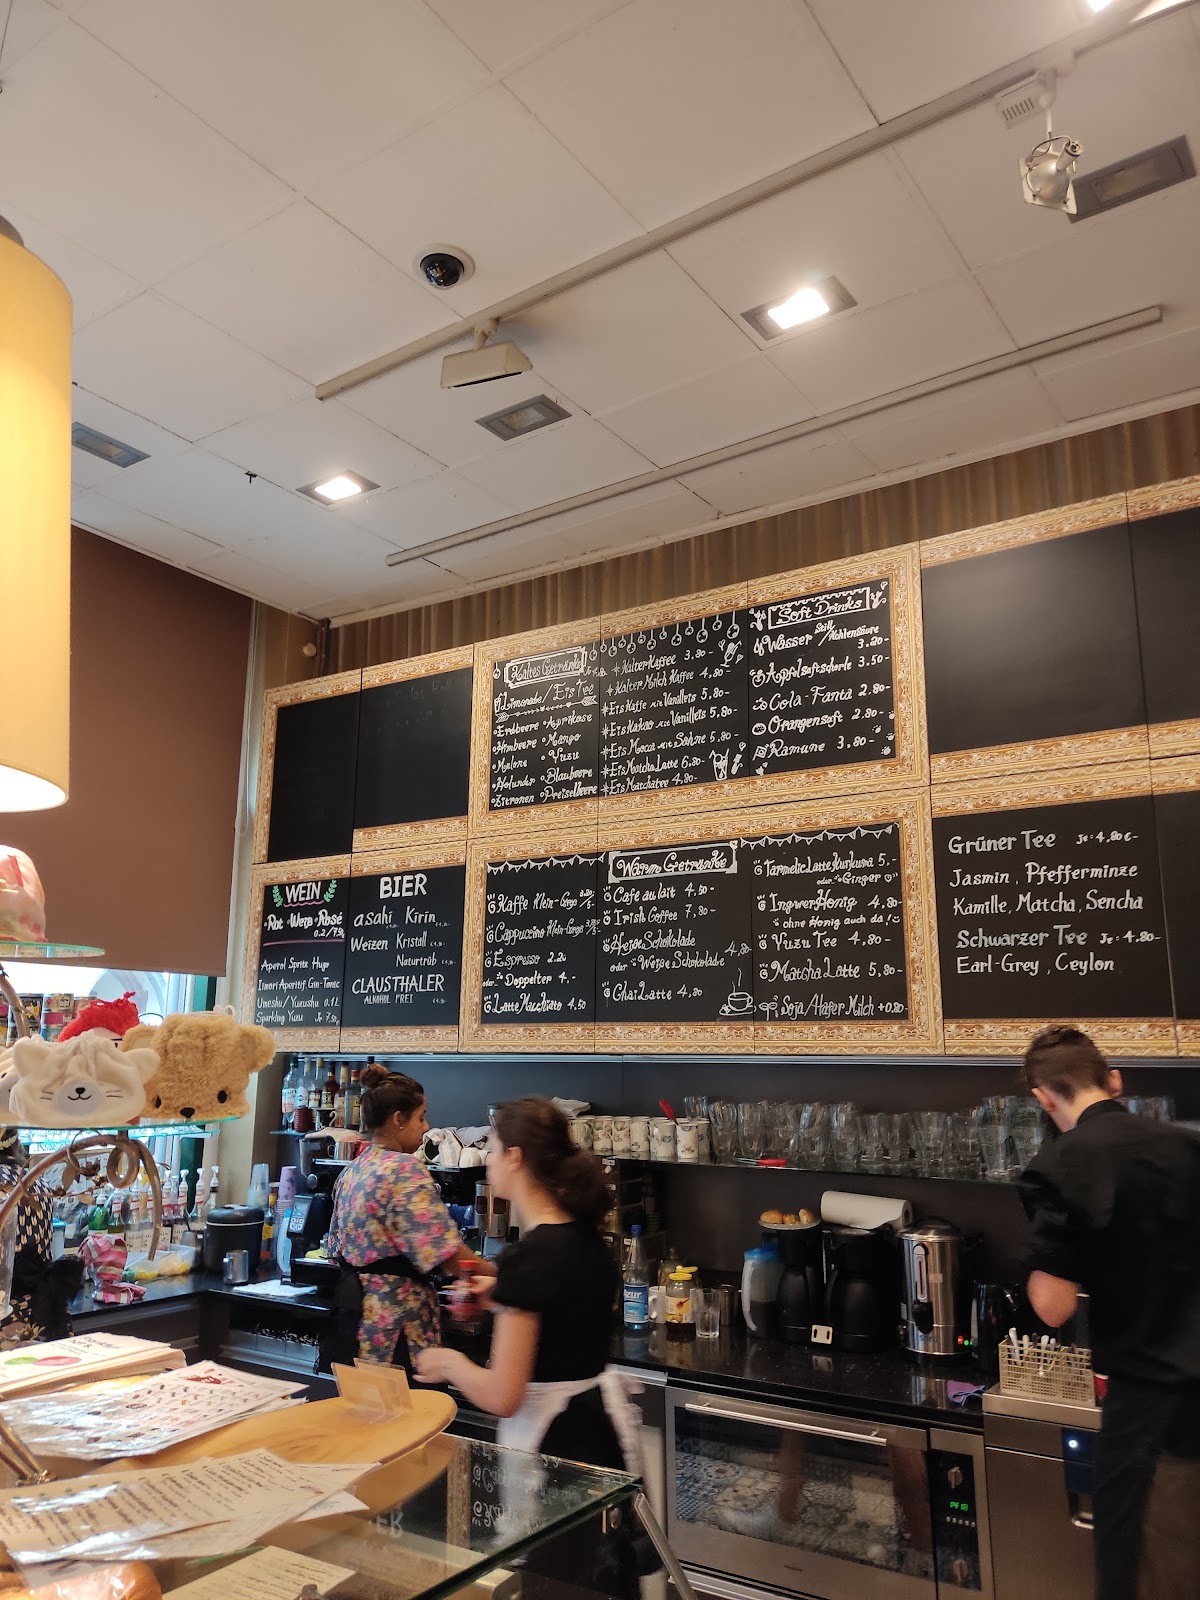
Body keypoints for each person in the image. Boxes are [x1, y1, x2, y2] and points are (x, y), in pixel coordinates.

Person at [1017, 1024, 1200, 1600]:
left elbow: (1053, 1307)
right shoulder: (1186, 1146)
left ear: (1043, 1099)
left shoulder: (1059, 1166)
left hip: (1151, 1406)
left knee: (1142, 1572)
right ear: (1114, 1081)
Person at [415, 1097, 640, 1473]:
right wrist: (497, 1297)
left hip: (553, 1446)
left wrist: (448, 1363)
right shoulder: (588, 1238)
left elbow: (503, 1397)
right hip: (597, 1432)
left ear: (515, 1157)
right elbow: (564, 1316)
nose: (489, 1160)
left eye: (493, 1149)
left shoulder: (528, 1257)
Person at [324, 1066, 479, 1375]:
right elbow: (447, 1254)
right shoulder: (405, 1169)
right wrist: (499, 1278)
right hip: (398, 1328)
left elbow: (334, 1251)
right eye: (421, 1117)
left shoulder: (352, 1170)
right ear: (398, 1119)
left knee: (363, 1403)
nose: (426, 1127)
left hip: (355, 1320)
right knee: (409, 1405)